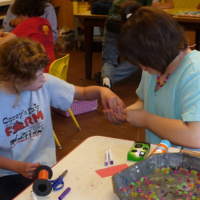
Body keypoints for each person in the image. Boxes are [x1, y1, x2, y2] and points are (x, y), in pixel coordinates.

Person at [0, 37, 125, 200]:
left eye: (43, 73)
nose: (43, 78)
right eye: (37, 76)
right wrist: (17, 167)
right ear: (16, 79)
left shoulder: (45, 84)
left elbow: (83, 93)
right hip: (9, 173)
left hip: (47, 166)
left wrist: (103, 91)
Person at [104, 1, 200, 151]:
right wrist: (126, 113)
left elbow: (196, 136)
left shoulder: (195, 72)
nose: (141, 67)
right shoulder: (154, 67)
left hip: (189, 167)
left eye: (144, 62)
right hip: (161, 159)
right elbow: (145, 101)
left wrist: (146, 120)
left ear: (160, 49)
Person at [94, 0, 174, 90]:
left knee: (109, 60)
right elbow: (149, 10)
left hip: (111, 22)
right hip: (132, 24)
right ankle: (107, 77)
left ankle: (106, 79)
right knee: (141, 56)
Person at [0, 0, 55, 73]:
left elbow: (2, 44)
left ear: (22, 11)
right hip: (51, 67)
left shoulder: (26, 24)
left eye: (19, 15)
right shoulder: (45, 22)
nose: (18, 18)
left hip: (36, 71)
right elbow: (31, 36)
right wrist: (9, 35)